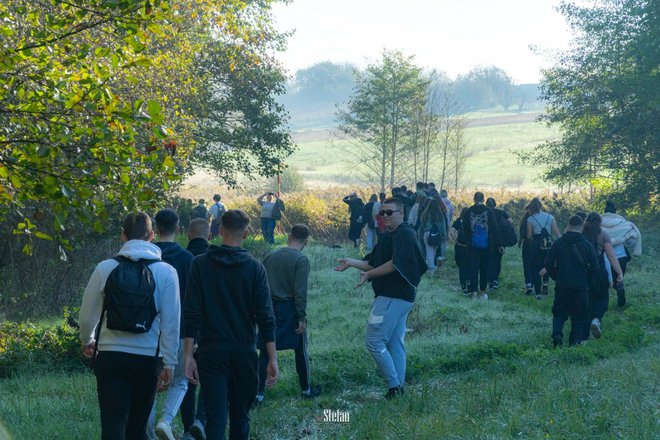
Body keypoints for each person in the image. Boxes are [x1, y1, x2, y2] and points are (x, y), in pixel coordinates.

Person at [79, 212, 180, 440]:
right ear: (152, 235)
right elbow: (172, 323)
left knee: (112, 424)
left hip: (111, 357)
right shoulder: (167, 272)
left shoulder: (105, 268)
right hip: (147, 360)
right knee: (137, 427)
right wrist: (170, 363)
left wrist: (88, 340)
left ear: (123, 235)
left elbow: (86, 318)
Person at [184, 210, 279, 440]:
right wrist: (272, 358)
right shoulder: (255, 268)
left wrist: (188, 355)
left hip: (210, 352)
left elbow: (191, 313)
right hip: (244, 352)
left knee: (216, 418)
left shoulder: (200, 264)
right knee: (240, 416)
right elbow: (265, 316)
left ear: (220, 230)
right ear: (246, 232)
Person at [335, 197, 427, 399]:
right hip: (393, 297)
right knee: (394, 344)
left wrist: (369, 275)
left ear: (401, 213)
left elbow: (396, 264)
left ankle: (394, 387)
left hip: (393, 297)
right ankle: (399, 388)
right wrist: (351, 262)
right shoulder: (387, 236)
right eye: (382, 212)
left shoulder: (405, 234)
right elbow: (373, 263)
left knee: (374, 342)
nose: (384, 216)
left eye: (389, 212)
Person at [255, 224, 321, 406]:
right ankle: (306, 389)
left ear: (289, 236)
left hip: (268, 308)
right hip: (289, 309)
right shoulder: (301, 260)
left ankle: (258, 394)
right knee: (300, 349)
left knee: (265, 352)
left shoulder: (271, 255)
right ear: (305, 241)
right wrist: (301, 317)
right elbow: (300, 291)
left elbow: (260, 284)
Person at [148, 210, 194, 440]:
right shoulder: (187, 259)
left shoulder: (149, 257)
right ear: (178, 229)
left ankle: (146, 431)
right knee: (180, 381)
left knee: (148, 383)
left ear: (155, 230)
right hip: (180, 330)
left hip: (148, 330)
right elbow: (193, 300)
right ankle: (165, 420)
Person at [541, 215, 599, 347]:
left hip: (562, 284)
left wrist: (557, 276)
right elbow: (595, 268)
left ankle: (557, 336)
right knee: (579, 315)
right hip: (581, 286)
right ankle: (573, 342)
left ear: (569, 225)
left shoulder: (558, 243)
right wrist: (587, 280)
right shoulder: (587, 245)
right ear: (581, 227)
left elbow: (548, 263)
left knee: (559, 312)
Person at [180, 218, 210, 440]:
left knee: (187, 380)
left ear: (188, 235)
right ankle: (201, 419)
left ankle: (187, 426)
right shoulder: (214, 259)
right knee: (209, 378)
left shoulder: (181, 258)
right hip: (210, 330)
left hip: (185, 328)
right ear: (209, 236)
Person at [582, 213, 624, 339]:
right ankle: (596, 320)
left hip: (584, 271)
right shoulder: (603, 235)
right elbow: (611, 256)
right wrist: (619, 272)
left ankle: (586, 330)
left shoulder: (581, 234)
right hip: (599, 270)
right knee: (602, 298)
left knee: (587, 300)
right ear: (600, 223)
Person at [600, 201, 642, 307]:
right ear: (615, 212)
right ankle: (620, 291)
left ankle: (603, 303)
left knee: (604, 280)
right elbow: (632, 240)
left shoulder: (598, 224)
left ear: (604, 212)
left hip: (604, 257)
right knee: (619, 278)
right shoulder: (624, 224)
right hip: (621, 257)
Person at [461, 192, 501, 300]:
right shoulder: (489, 211)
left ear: (474, 199)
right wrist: (499, 244)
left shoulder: (468, 212)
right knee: (484, 268)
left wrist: (467, 240)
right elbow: (495, 228)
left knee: (473, 268)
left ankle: (473, 292)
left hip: (472, 245)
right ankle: (482, 292)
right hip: (487, 244)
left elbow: (464, 229)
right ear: (483, 200)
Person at [526, 198, 561, 299]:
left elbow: (529, 236)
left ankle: (537, 293)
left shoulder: (530, 219)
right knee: (547, 264)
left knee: (536, 266)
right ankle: (545, 282)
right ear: (541, 206)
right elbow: (556, 232)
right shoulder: (550, 217)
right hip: (548, 243)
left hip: (536, 243)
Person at [485, 197, 513, 290]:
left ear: (486, 204)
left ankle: (489, 281)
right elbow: (510, 221)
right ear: (495, 204)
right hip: (500, 240)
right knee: (497, 260)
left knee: (488, 261)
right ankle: (495, 280)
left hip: (487, 240)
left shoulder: (485, 212)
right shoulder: (502, 213)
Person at [417, 197, 446, 274]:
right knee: (434, 251)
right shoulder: (440, 214)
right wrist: (444, 235)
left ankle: (431, 268)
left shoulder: (426, 213)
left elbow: (422, 225)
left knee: (429, 251)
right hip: (437, 234)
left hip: (427, 233)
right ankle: (432, 266)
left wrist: (420, 233)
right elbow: (443, 226)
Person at [450, 208, 470, 294]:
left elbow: (452, 231)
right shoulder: (472, 220)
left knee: (462, 267)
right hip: (470, 247)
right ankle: (470, 285)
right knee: (470, 267)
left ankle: (463, 287)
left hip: (460, 247)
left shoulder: (459, 220)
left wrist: (456, 241)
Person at [518, 205, 534, 296]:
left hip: (527, 244)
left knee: (527, 264)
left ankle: (528, 283)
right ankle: (534, 283)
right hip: (536, 244)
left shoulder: (525, 219)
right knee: (534, 264)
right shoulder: (537, 218)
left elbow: (522, 231)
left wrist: (520, 240)